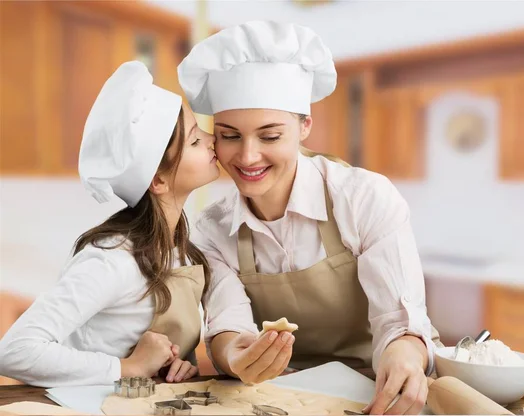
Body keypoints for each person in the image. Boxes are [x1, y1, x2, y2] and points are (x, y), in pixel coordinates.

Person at [178, 21, 443, 415]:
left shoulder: (362, 198)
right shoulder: (211, 230)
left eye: (269, 136)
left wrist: (405, 353)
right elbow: (227, 326)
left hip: (376, 390)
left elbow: (399, 318)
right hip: (275, 398)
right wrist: (237, 356)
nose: (248, 157)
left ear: (304, 126)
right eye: (230, 135)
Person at [0, 61, 220, 387]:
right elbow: (15, 351)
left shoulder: (181, 251)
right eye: (195, 141)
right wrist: (128, 367)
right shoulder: (113, 259)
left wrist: (177, 366)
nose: (213, 138)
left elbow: (157, 356)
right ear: (157, 179)